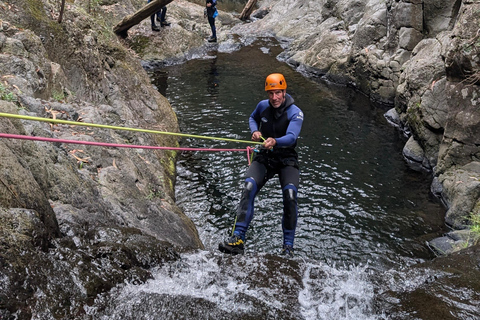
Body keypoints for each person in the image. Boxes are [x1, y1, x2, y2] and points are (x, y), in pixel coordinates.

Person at [218, 73, 304, 257]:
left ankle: (288, 247)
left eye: (278, 93)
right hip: (265, 155)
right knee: (248, 186)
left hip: (286, 158)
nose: (274, 98)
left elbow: (292, 136)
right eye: (271, 93)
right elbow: (252, 118)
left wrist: (275, 141)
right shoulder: (262, 106)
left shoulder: (295, 112)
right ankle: (238, 238)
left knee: (290, 195)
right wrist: (255, 130)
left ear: (284, 92)